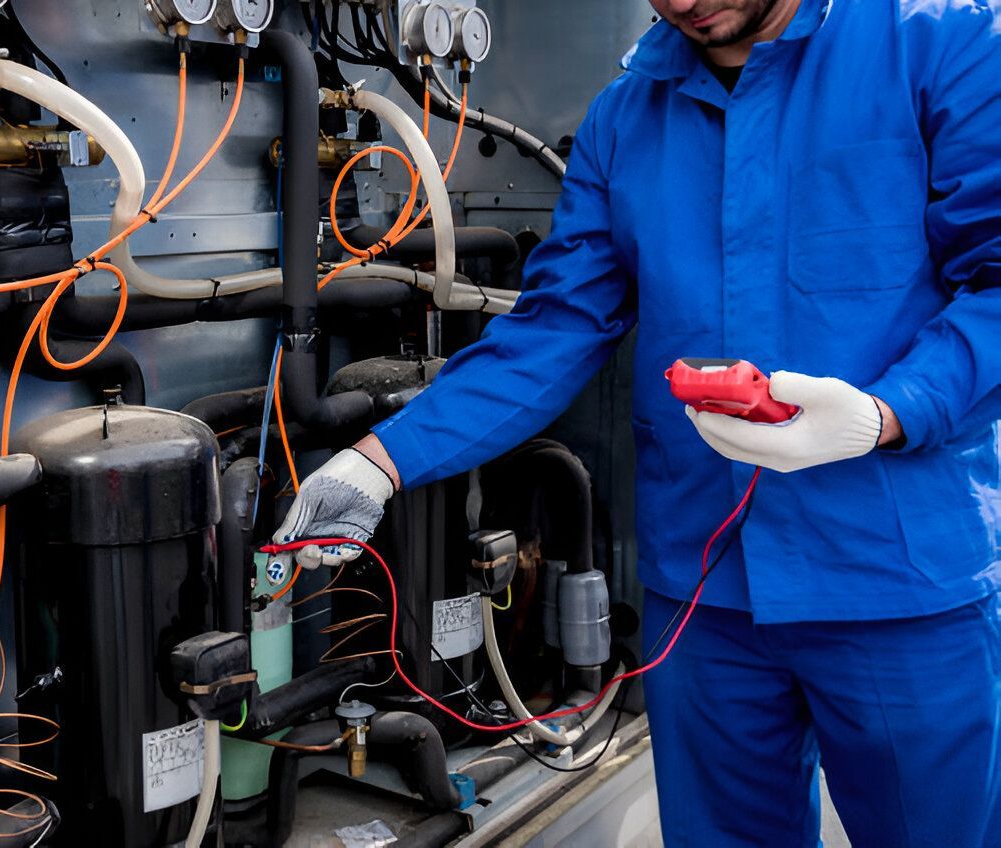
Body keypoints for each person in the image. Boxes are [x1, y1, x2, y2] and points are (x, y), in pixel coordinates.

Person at [274, 0, 1001, 845]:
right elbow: (558, 325)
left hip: (897, 577)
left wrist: (891, 413)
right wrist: (382, 459)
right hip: (705, 592)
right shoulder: (630, 112)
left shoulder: (938, 44)